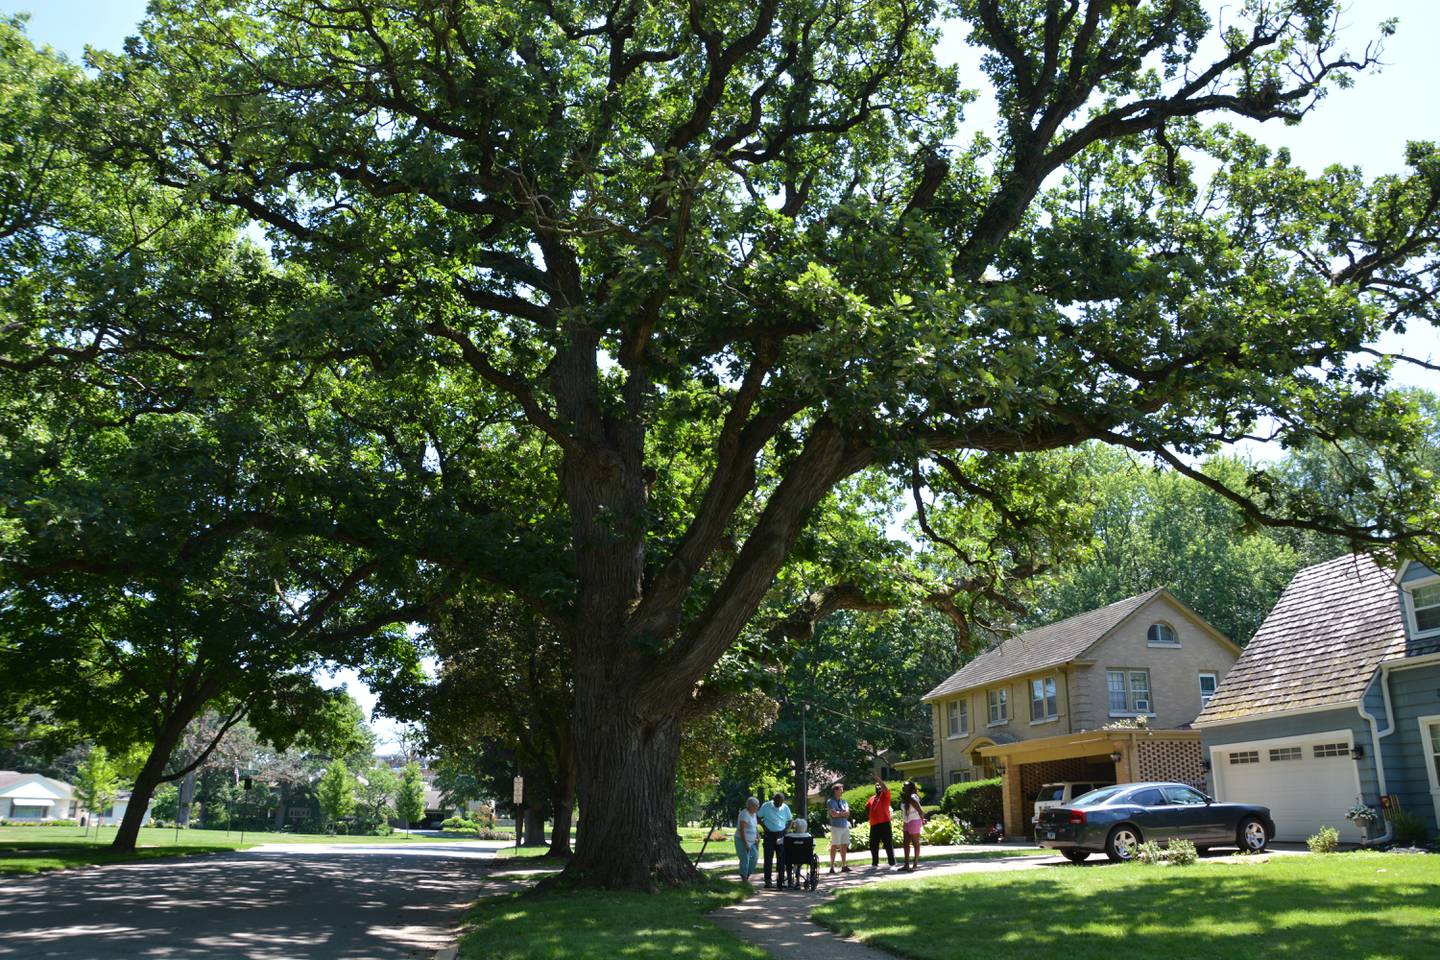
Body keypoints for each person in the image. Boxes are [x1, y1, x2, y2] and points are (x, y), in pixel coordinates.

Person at [756, 790, 793, 889]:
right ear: (773, 800)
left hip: (781, 834)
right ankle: (768, 881)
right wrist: (764, 827)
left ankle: (780, 881)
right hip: (769, 834)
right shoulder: (766, 806)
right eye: (777, 801)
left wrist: (786, 830)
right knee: (768, 858)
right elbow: (758, 817)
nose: (778, 803)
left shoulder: (785, 808)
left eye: (780, 802)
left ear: (783, 801)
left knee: (781, 859)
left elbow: (790, 820)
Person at [865, 774, 895, 870]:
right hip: (874, 825)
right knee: (873, 845)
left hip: (885, 823)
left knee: (888, 844)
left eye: (880, 785)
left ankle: (892, 864)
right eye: (876, 785)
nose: (878, 787)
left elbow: (885, 788)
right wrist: (870, 817)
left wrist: (878, 779)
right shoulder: (872, 798)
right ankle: (874, 864)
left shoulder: (885, 795)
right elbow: (867, 808)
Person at [782, 817, 815, 889]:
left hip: (790, 857)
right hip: (805, 858)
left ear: (795, 827)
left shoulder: (788, 836)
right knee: (799, 861)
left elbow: (778, 842)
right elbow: (813, 846)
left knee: (788, 861)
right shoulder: (809, 837)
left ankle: (790, 881)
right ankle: (797, 881)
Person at [826, 782, 851, 873]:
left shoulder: (844, 802)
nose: (842, 791)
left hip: (845, 826)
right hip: (836, 827)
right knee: (834, 846)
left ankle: (843, 866)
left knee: (844, 846)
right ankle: (832, 867)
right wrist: (841, 813)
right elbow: (833, 814)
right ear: (836, 790)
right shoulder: (830, 801)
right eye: (841, 789)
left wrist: (839, 813)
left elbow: (847, 813)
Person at [900, 780, 924, 871]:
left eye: (906, 786)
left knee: (915, 843)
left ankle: (915, 865)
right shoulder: (905, 797)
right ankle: (906, 865)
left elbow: (920, 810)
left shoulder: (912, 797)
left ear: (911, 788)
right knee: (905, 843)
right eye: (903, 786)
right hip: (906, 821)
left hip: (914, 821)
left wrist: (922, 819)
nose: (904, 787)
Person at [735, 797, 760, 882]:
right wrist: (745, 844)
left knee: (754, 858)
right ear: (749, 806)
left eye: (757, 806)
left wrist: (758, 836)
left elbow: (755, 827)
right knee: (745, 859)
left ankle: (747, 876)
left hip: (752, 841)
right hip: (742, 840)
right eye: (755, 806)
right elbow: (742, 830)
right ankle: (744, 879)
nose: (757, 807)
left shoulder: (754, 814)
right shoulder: (744, 814)